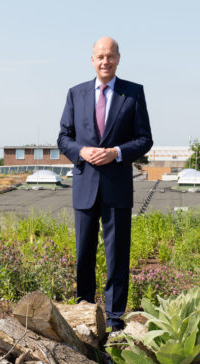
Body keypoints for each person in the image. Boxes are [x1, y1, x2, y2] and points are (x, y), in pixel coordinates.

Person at [58, 36, 152, 332]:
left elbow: (145, 139)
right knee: (84, 254)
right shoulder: (76, 94)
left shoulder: (133, 93)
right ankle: (84, 312)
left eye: (110, 56)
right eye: (100, 56)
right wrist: (81, 152)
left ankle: (114, 319)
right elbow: (63, 137)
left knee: (117, 255)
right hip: (85, 185)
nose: (105, 61)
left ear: (118, 59)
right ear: (92, 59)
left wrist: (117, 152)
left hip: (117, 187)